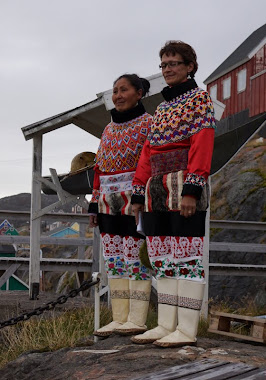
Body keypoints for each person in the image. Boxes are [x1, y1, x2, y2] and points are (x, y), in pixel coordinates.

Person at [130, 41, 216, 347]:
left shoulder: (199, 100)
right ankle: (166, 325)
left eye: (174, 63)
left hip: (183, 185)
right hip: (157, 189)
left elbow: (202, 143)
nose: (167, 69)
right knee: (163, 258)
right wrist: (138, 193)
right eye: (163, 65)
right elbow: (146, 153)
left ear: (190, 66)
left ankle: (187, 329)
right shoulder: (162, 109)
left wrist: (192, 189)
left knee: (187, 258)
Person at [89, 74, 153, 337]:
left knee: (134, 260)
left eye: (123, 90)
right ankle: (119, 318)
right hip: (108, 205)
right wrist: (94, 204)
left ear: (139, 93)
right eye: (115, 91)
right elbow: (99, 167)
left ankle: (137, 320)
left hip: (136, 203)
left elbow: (151, 162)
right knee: (114, 261)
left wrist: (143, 198)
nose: (117, 95)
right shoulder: (107, 129)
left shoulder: (148, 124)